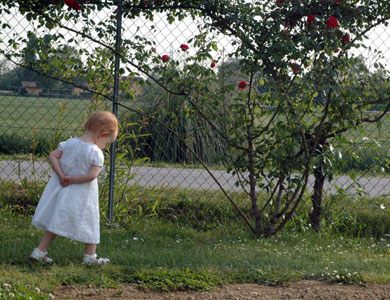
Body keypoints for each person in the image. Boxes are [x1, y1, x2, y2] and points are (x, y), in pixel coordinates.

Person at [29, 111, 118, 265]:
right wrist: (74, 179)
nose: (105, 146)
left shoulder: (69, 143)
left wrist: (62, 175)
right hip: (83, 196)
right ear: (102, 134)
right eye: (107, 143)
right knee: (90, 221)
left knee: (56, 221)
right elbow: (91, 176)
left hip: (62, 192)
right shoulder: (95, 152)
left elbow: (52, 156)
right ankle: (90, 256)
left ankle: (39, 251)